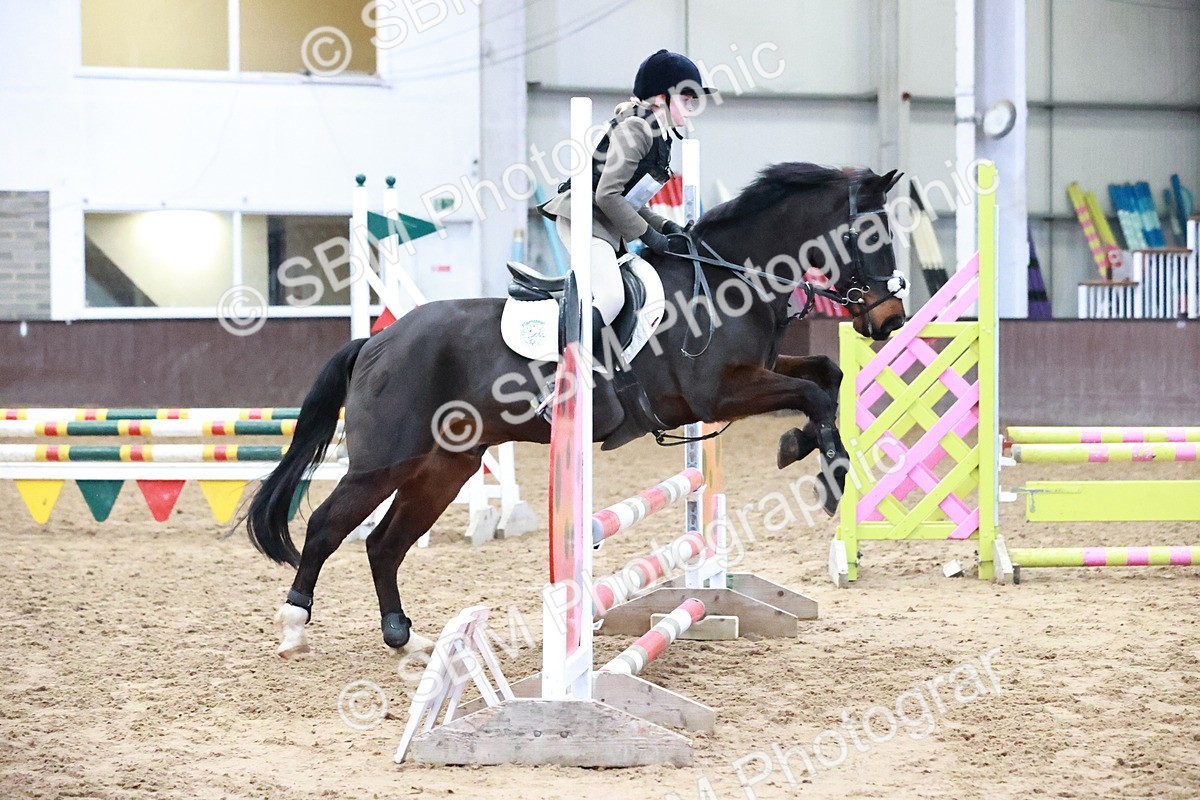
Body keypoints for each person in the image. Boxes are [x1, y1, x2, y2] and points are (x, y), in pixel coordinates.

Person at [538, 49, 716, 348]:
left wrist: (665, 226)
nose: (691, 108)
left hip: (603, 223)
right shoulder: (637, 129)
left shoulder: (658, 134)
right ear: (661, 98)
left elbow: (629, 199)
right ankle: (566, 364)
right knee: (611, 296)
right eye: (686, 99)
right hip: (583, 218)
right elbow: (608, 195)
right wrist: (651, 237)